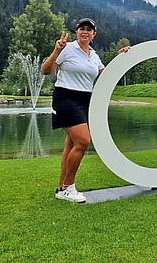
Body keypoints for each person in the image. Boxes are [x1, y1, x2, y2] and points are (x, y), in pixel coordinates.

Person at [42, 18, 129, 202]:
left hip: (85, 99)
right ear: (76, 32)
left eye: (89, 29)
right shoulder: (67, 48)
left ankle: (61, 188)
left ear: (94, 34)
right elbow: (46, 70)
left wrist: (121, 58)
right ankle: (68, 187)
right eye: (82, 28)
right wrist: (57, 50)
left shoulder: (94, 55)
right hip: (65, 97)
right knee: (83, 141)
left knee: (71, 144)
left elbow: (105, 75)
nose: (85, 31)